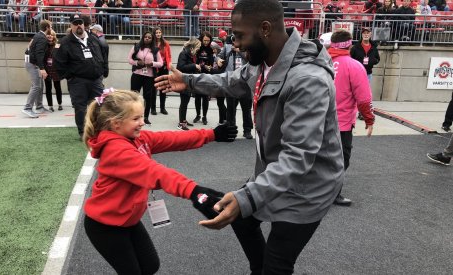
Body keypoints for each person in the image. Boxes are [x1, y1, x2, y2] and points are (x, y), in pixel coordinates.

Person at [155, 0, 344, 273]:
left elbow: (298, 157)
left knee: (276, 264)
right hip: (275, 169)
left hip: (307, 187)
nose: (235, 44)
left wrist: (246, 198)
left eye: (240, 35)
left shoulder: (307, 79)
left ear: (265, 28)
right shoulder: (265, 60)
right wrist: (190, 81)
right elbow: (232, 80)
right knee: (243, 221)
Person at [82, 88, 237, 274]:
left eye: (142, 116)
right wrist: (193, 191)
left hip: (127, 220)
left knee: (150, 266)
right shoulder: (116, 150)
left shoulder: (137, 138)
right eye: (136, 119)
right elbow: (156, 173)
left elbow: (172, 138)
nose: (142, 123)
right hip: (105, 226)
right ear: (116, 124)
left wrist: (211, 134)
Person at [329, 30, 375, 206]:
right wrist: (369, 120)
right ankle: (332, 194)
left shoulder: (320, 62)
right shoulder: (354, 66)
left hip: (316, 120)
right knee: (340, 160)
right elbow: (364, 99)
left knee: (315, 157)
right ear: (349, 45)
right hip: (341, 123)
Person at [53, 14, 108, 137]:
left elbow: (102, 55)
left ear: (84, 24)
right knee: (80, 108)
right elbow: (58, 62)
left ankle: (98, 130)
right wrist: (70, 77)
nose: (78, 25)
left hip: (96, 80)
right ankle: (83, 132)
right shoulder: (65, 42)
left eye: (80, 22)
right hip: (78, 82)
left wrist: (103, 70)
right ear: (71, 25)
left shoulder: (93, 38)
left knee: (99, 106)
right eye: (75, 23)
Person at [218, 34, 253, 139]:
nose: (234, 42)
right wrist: (218, 60)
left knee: (246, 109)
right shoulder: (227, 47)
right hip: (231, 82)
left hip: (245, 83)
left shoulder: (247, 47)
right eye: (233, 40)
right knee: (231, 109)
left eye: (236, 40)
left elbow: (251, 60)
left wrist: (239, 51)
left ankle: (247, 130)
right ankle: (231, 129)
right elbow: (219, 56)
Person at [127, 31, 163, 125]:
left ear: (152, 39)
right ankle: (132, 116)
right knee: (134, 96)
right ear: (143, 38)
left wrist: (152, 64)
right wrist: (137, 63)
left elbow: (161, 63)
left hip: (149, 77)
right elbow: (129, 59)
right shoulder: (137, 47)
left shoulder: (155, 50)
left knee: (147, 97)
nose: (147, 38)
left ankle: (146, 117)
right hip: (137, 75)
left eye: (149, 37)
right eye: (145, 37)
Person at [22, 20, 52, 118]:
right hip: (32, 64)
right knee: (36, 86)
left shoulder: (39, 36)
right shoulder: (41, 38)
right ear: (47, 27)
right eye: (50, 27)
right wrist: (42, 68)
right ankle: (27, 108)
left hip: (32, 63)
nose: (51, 29)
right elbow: (39, 54)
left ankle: (39, 106)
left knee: (39, 85)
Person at [176, 37, 201, 130]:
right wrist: (194, 66)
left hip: (188, 80)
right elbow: (180, 67)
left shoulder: (191, 54)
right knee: (184, 102)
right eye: (198, 47)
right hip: (184, 81)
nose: (199, 49)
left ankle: (184, 120)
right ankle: (181, 123)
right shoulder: (183, 54)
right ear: (192, 47)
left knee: (185, 102)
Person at [193, 31, 214, 125]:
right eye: (204, 40)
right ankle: (198, 115)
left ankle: (204, 116)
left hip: (207, 75)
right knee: (197, 97)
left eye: (208, 41)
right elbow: (195, 60)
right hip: (197, 74)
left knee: (205, 97)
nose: (206, 42)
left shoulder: (211, 49)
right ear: (201, 39)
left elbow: (211, 61)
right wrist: (203, 65)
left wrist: (209, 66)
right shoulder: (198, 48)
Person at [153, 27, 171, 115]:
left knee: (163, 88)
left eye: (159, 32)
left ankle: (162, 108)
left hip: (163, 67)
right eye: (157, 32)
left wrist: (169, 65)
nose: (158, 34)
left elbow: (169, 56)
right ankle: (153, 108)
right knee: (154, 88)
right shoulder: (152, 43)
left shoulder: (166, 43)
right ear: (154, 33)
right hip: (155, 67)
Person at [44, 29, 62, 112]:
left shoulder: (58, 45)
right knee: (48, 88)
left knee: (57, 87)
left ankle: (60, 104)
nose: (50, 36)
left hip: (55, 69)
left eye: (52, 35)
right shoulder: (44, 45)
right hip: (47, 69)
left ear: (54, 36)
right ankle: (50, 106)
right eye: (48, 35)